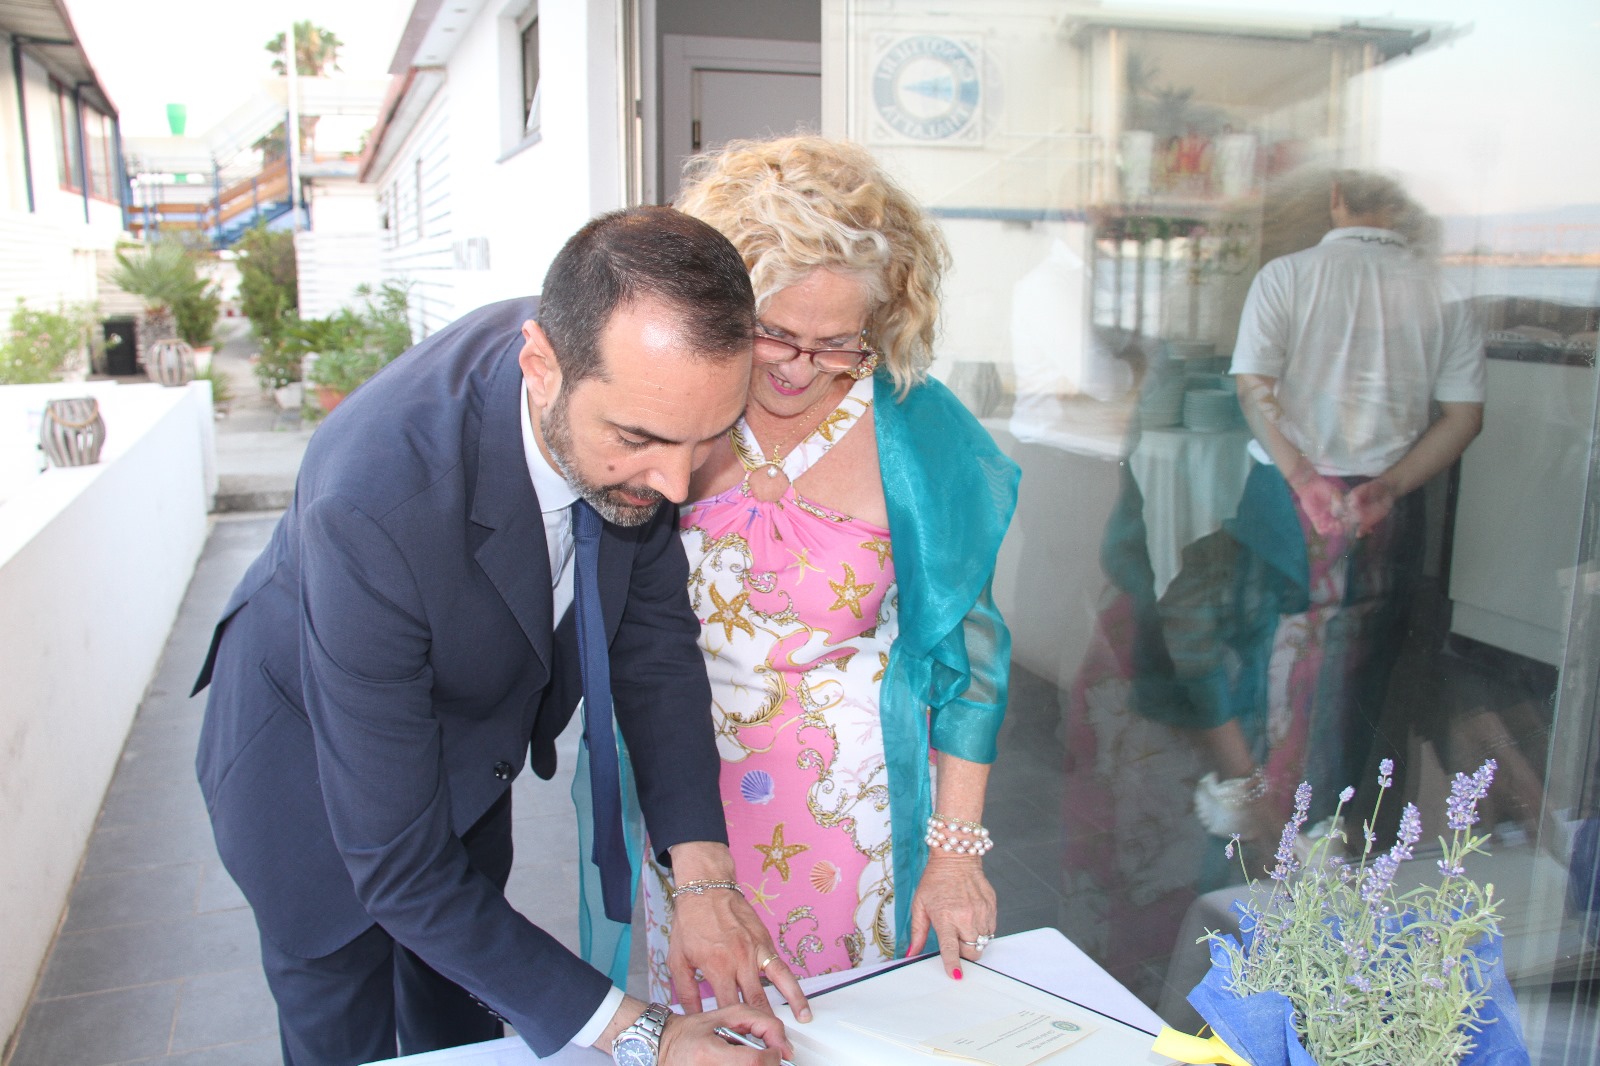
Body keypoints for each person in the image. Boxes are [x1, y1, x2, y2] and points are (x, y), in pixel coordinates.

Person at [192, 206, 807, 1066]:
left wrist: (704, 879)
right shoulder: (373, 501)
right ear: (541, 368)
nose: (676, 484)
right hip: (307, 779)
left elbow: (654, 649)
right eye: (640, 441)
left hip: (469, 748)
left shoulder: (629, 375)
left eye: (708, 440)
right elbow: (402, 870)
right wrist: (649, 1038)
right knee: (344, 1033)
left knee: (464, 1016)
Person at [632, 135, 1020, 1001]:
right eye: (772, 333)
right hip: (693, 808)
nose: (798, 369)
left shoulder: (917, 433)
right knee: (713, 1028)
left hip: (860, 819)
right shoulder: (679, 406)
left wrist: (955, 855)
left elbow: (973, 665)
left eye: (837, 343)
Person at [1203, 169, 1485, 841]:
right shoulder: (1442, 292)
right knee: (1362, 666)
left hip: (1287, 494)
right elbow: (1464, 417)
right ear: (1398, 207)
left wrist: (1303, 476)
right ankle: (1334, 825)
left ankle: (1255, 822)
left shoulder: (1287, 276)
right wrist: (1389, 486)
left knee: (1267, 649)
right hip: (1385, 499)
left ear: (1336, 199)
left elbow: (1252, 387)